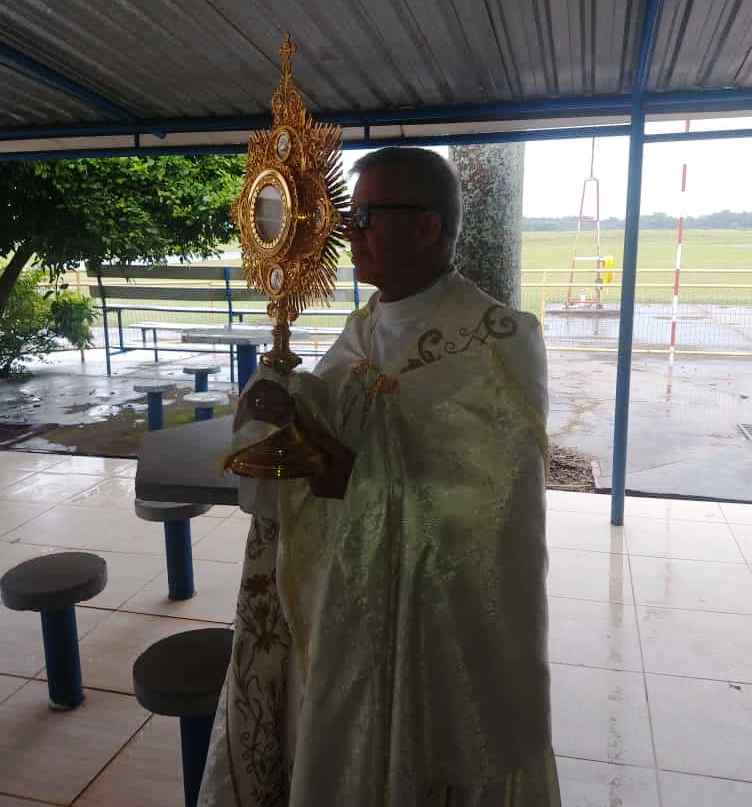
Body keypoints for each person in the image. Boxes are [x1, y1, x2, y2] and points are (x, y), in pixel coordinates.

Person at [199, 147, 561, 806]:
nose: (349, 232)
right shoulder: (363, 330)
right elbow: (333, 418)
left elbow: (490, 508)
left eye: (366, 215)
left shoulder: (502, 339)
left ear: (428, 226)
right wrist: (281, 406)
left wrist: (347, 472)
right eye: (349, 214)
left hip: (441, 643)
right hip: (353, 622)